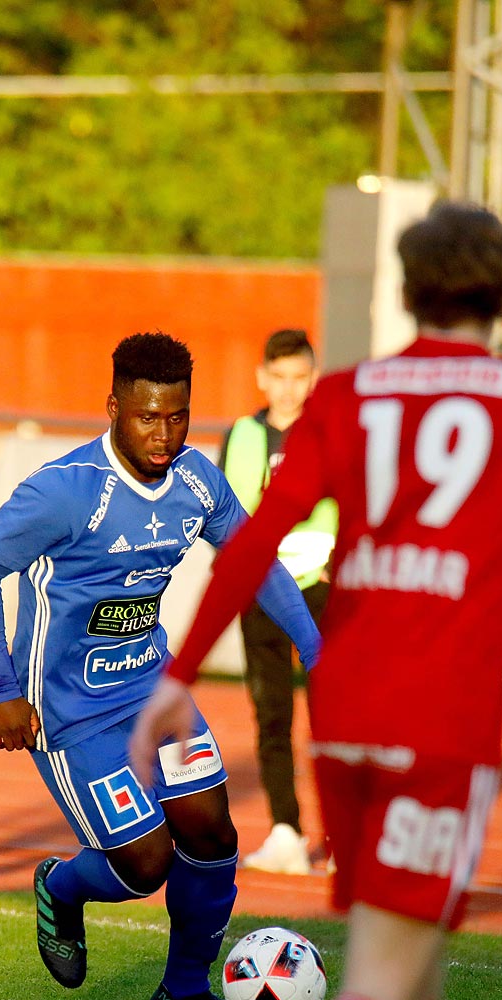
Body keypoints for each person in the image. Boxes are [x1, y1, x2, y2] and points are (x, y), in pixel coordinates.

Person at [131, 203, 502, 1000]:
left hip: (345, 715)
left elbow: (255, 534)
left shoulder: (350, 394)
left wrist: (180, 677)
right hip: (439, 723)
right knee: (372, 994)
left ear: (404, 292)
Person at [0, 332, 322, 1000]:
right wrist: (3, 688)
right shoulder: (63, 492)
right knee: (146, 862)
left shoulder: (195, 480)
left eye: (177, 417)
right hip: (69, 709)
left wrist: (315, 646)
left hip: (152, 690)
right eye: (147, 417)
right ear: (114, 407)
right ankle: (62, 889)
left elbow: (250, 558)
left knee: (212, 832)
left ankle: (183, 992)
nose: (164, 433)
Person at [218, 329, 335, 876]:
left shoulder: (332, 430)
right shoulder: (241, 434)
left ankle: (341, 838)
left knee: (336, 714)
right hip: (262, 588)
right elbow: (226, 517)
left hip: (323, 587)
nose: (289, 389)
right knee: (272, 714)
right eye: (280, 377)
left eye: (300, 377)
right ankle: (286, 830)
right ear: (263, 377)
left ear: (312, 377)